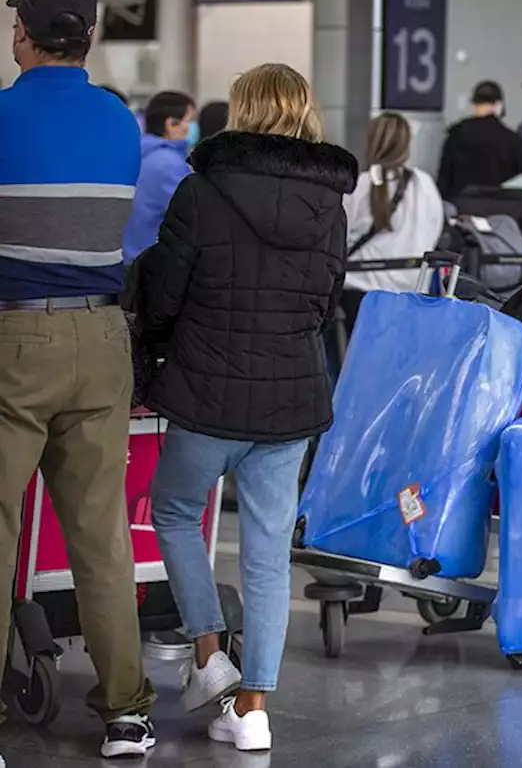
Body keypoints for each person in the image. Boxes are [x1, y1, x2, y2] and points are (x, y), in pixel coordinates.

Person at [138, 63, 353, 752]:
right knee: (267, 555)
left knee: (173, 508)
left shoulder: (201, 191)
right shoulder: (331, 204)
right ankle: (252, 710)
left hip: (207, 392)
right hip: (291, 397)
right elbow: (325, 305)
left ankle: (206, 655)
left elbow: (163, 294)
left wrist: (160, 349)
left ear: (244, 110)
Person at [0, 0, 159, 759]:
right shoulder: (120, 123)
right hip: (102, 340)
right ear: (89, 36)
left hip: (14, 337)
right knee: (102, 537)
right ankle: (125, 710)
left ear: (22, 33)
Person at [342, 112, 446, 334]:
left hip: (361, 297)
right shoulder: (424, 184)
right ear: (407, 143)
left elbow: (341, 235)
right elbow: (434, 232)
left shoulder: (360, 186)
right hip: (413, 294)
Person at [122, 90, 197, 263]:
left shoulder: (139, 152)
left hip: (130, 255)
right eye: (190, 121)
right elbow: (191, 213)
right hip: (152, 260)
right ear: (171, 123)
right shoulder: (168, 163)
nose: (193, 128)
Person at [437, 80, 522, 200]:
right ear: (499, 105)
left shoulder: (456, 136)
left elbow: (444, 182)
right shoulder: (512, 140)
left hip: (463, 208)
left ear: (474, 104)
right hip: (503, 209)